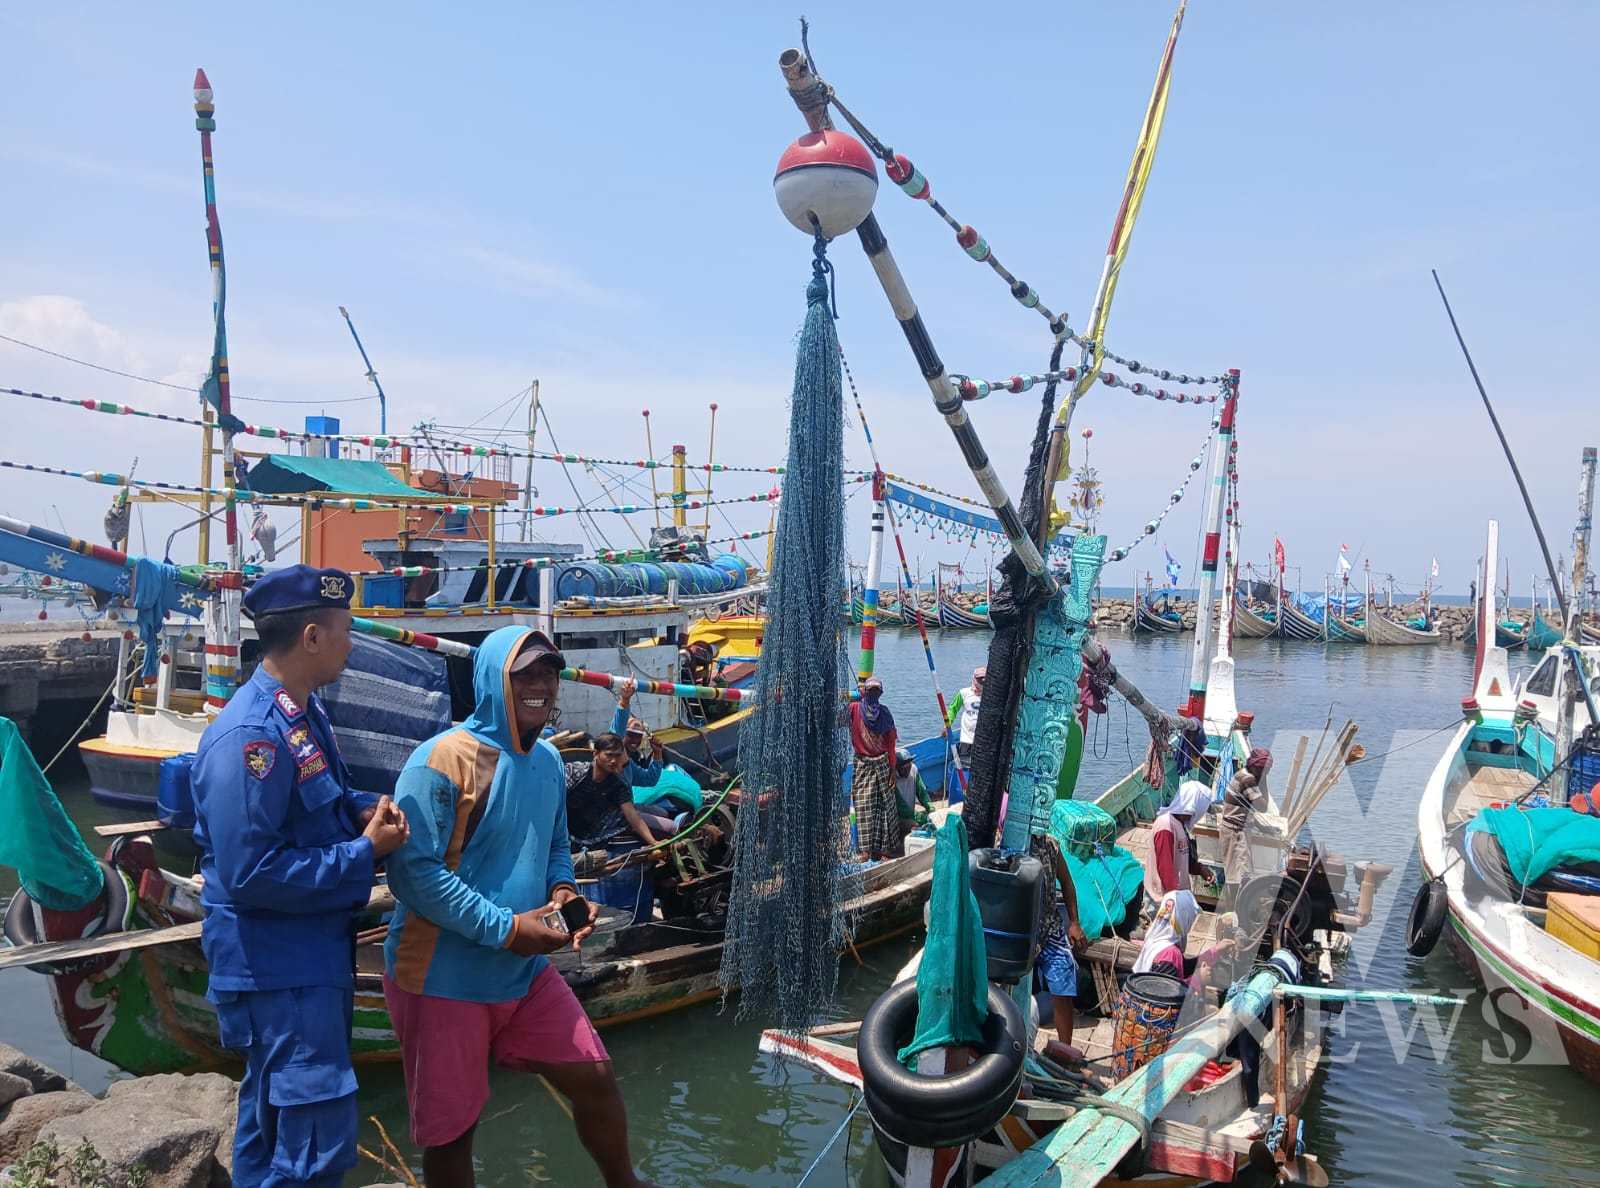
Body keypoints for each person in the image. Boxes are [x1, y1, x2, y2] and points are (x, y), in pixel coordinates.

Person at [382, 627, 658, 1188]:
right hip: (443, 978)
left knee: (595, 1075)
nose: (541, 685)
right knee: (452, 1131)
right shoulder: (442, 759)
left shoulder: (550, 761)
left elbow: (554, 843)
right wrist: (507, 928)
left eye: (549, 672)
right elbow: (412, 874)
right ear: (492, 679)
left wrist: (562, 891)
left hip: (524, 971)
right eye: (525, 673)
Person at [192, 564, 410, 1187]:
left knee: (269, 1136)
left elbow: (322, 804)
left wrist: (364, 813)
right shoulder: (253, 736)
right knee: (313, 1149)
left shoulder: (300, 716)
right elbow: (250, 871)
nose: (351, 644)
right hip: (279, 970)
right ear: (312, 637)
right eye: (344, 630)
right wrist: (362, 855)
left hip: (304, 960)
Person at [1038, 836, 1089, 1063]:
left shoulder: (1050, 845)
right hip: (1020, 929)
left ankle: (1064, 1050)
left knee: (1064, 983)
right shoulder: (1005, 842)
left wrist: (1074, 922)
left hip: (1049, 928)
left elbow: (1067, 883)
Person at [566, 733, 662, 853]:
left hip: (594, 839)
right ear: (595, 754)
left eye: (617, 756)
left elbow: (632, 816)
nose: (613, 761)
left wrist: (653, 842)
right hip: (563, 835)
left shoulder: (618, 784)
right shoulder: (575, 772)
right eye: (609, 755)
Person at [849, 676, 900, 860]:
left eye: (876, 691)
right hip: (863, 764)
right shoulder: (854, 709)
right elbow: (836, 718)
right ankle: (865, 851)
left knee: (885, 807)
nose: (873, 694)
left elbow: (891, 743)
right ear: (864, 692)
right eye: (870, 691)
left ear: (880, 693)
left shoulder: (885, 714)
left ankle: (884, 850)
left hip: (883, 764)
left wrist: (892, 769)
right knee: (863, 806)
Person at [1143, 781, 1210, 910]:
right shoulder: (1165, 826)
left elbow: (1183, 858)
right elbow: (1165, 868)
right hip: (1164, 899)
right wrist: (1175, 901)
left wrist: (1201, 869)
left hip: (1177, 895)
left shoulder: (1179, 824)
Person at [1220, 748, 1273, 908]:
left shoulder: (1242, 774)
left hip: (1235, 828)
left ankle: (1235, 910)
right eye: (1266, 770)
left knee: (1235, 874)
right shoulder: (1248, 779)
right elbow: (1262, 806)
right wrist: (1263, 780)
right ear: (1257, 767)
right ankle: (1235, 912)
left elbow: (1246, 807)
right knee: (1239, 876)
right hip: (1235, 832)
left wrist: (1261, 827)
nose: (1267, 773)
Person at [945, 666, 984, 775]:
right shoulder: (964, 693)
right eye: (979, 679)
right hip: (966, 739)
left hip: (983, 740)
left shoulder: (991, 696)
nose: (982, 682)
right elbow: (953, 709)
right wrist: (947, 725)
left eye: (984, 679)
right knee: (964, 766)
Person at [893, 748, 934, 842]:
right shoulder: (892, 779)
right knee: (915, 825)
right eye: (903, 769)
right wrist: (923, 818)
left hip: (911, 813)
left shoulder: (913, 769)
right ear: (896, 768)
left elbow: (922, 793)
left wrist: (930, 808)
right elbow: (902, 808)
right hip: (898, 818)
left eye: (909, 766)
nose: (907, 770)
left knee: (930, 819)